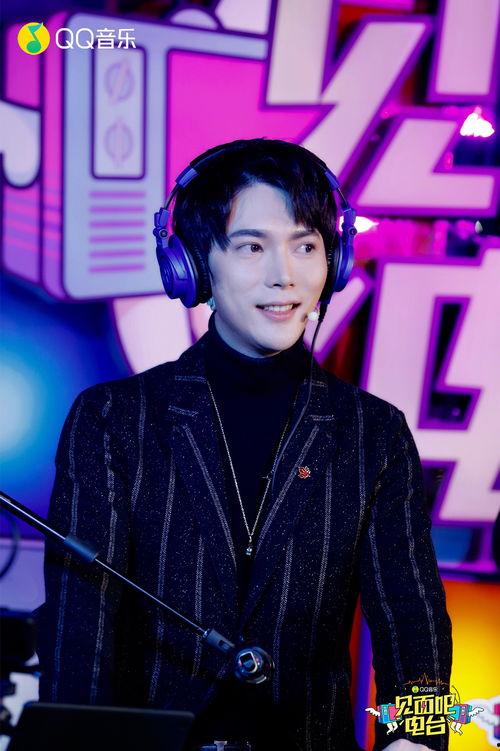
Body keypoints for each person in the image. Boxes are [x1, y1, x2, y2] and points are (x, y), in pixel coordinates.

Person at [35, 139, 452, 751]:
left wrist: (416, 739)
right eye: (252, 247)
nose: (284, 275)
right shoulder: (113, 419)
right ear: (194, 264)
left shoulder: (374, 433)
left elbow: (414, 623)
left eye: (306, 246)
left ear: (334, 262)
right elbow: (79, 631)